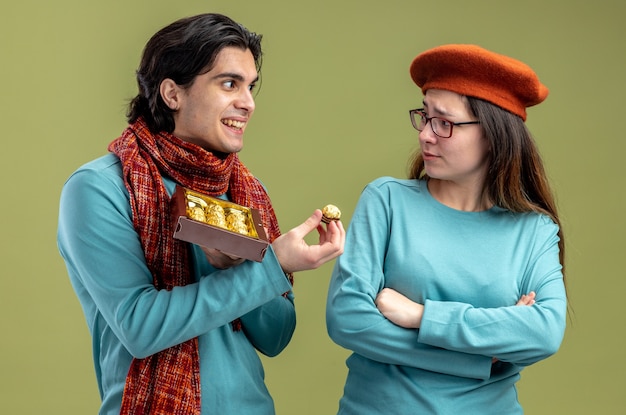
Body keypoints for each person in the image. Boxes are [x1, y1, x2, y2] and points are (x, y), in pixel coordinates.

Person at [57, 13, 345, 415]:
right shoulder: (100, 188)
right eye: (229, 83)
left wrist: (239, 267)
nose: (248, 103)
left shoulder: (245, 190)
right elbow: (141, 327)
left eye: (250, 86)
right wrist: (270, 264)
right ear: (173, 94)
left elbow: (276, 335)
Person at [326, 44, 566, 414]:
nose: (425, 134)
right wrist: (479, 358)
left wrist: (420, 316)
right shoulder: (387, 201)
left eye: (444, 122)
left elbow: (544, 331)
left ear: (492, 134)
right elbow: (348, 319)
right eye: (425, 117)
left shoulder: (533, 231)